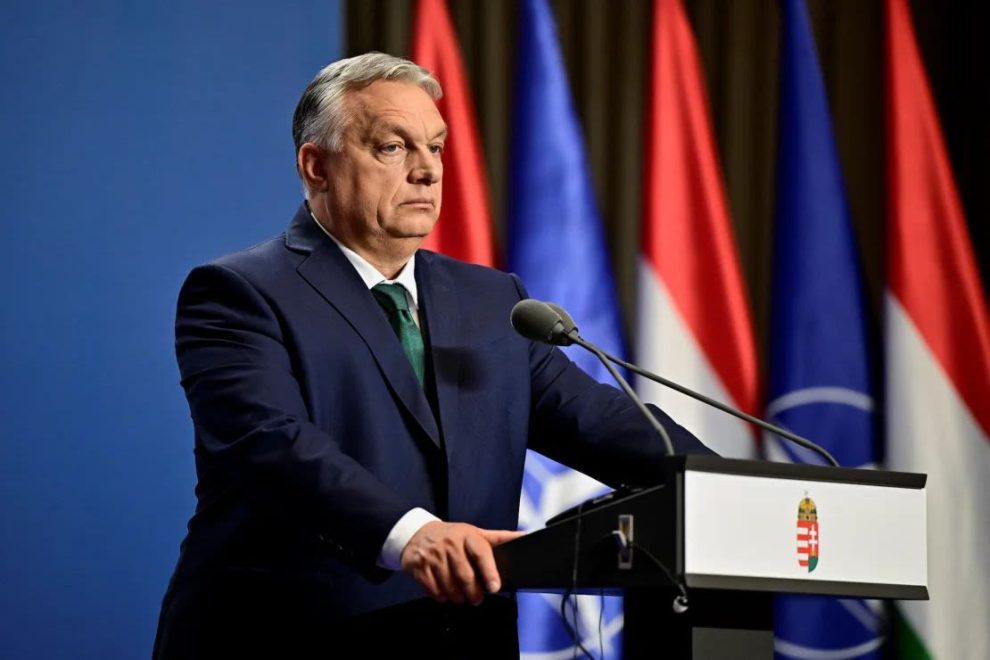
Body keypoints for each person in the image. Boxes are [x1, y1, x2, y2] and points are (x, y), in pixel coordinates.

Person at [152, 52, 713, 659]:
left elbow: (603, 424)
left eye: (437, 147)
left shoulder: (493, 302)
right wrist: (411, 534)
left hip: (462, 641)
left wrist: (733, 488)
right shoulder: (241, 293)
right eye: (393, 147)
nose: (427, 171)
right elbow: (271, 446)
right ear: (316, 167)